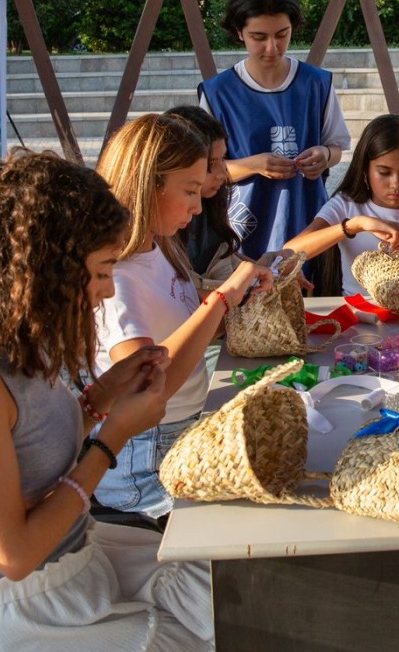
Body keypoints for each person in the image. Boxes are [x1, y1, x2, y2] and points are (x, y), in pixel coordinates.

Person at [0, 149, 220, 649]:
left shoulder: (20, 344)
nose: (106, 290)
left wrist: (104, 393)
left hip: (77, 561)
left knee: (228, 589)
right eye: (102, 271)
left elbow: (35, 444)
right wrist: (113, 438)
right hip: (21, 607)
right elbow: (13, 556)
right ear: (44, 268)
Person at [92, 113, 274, 520]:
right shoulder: (118, 279)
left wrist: (239, 297)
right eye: (190, 190)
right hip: (145, 463)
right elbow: (145, 390)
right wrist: (224, 298)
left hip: (183, 432)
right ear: (147, 184)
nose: (197, 206)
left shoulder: (160, 247)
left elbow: (186, 319)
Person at [197, 0, 351, 267]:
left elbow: (337, 146)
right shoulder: (218, 93)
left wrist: (324, 155)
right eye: (259, 37)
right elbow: (201, 171)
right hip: (243, 228)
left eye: (282, 34)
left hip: (308, 220)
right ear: (239, 32)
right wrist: (255, 164)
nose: (272, 47)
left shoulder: (317, 84)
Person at [284, 113, 399, 300]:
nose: (396, 184)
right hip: (357, 314)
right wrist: (356, 225)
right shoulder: (346, 205)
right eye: (384, 172)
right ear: (365, 169)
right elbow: (289, 253)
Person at [163, 105, 241, 290]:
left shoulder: (212, 201)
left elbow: (221, 252)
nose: (223, 173)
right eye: (212, 163)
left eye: (224, 159)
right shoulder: (161, 227)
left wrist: (264, 268)